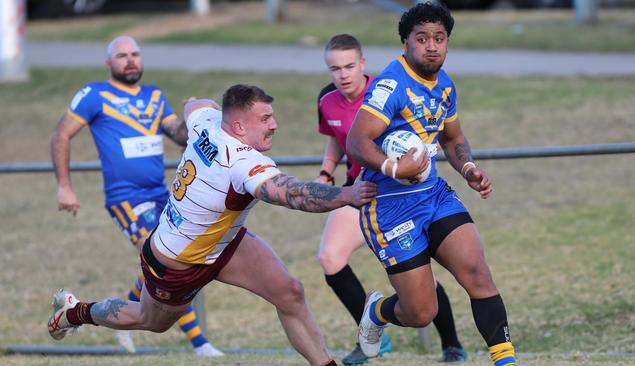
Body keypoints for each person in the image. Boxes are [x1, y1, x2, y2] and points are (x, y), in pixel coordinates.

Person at [48, 84, 377, 366]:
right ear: (237, 126)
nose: (274, 125)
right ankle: (75, 312)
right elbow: (291, 194)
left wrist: (204, 104)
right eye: (264, 119)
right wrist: (344, 194)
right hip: (176, 262)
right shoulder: (243, 163)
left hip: (224, 243)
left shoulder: (207, 122)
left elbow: (196, 103)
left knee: (290, 293)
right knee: (149, 320)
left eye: (271, 116)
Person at [346, 3, 516, 366]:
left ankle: (506, 361)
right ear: (405, 42)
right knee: (421, 312)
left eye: (439, 38)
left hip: (435, 196)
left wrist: (468, 168)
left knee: (477, 272)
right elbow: (356, 142)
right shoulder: (391, 85)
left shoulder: (445, 85)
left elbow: (453, 138)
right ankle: (377, 311)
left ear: (448, 43)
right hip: (390, 207)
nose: (432, 46)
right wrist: (394, 166)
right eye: (422, 39)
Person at [50, 35, 223, 357]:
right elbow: (61, 134)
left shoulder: (154, 96)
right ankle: (201, 344)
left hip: (163, 194)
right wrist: (65, 186)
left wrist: (201, 115)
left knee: (170, 260)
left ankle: (119, 316)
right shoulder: (95, 95)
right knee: (170, 263)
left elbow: (181, 136)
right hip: (126, 198)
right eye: (122, 55)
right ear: (108, 63)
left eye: (135, 54)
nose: (130, 60)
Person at [315, 34, 468, 364]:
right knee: (330, 258)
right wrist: (327, 173)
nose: (343, 75)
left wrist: (425, 152)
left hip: (405, 193)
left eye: (349, 66)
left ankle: (452, 344)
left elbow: (429, 127)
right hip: (361, 190)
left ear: (363, 64)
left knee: (420, 269)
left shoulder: (385, 89)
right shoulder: (326, 101)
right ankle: (372, 331)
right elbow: (338, 139)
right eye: (335, 68)